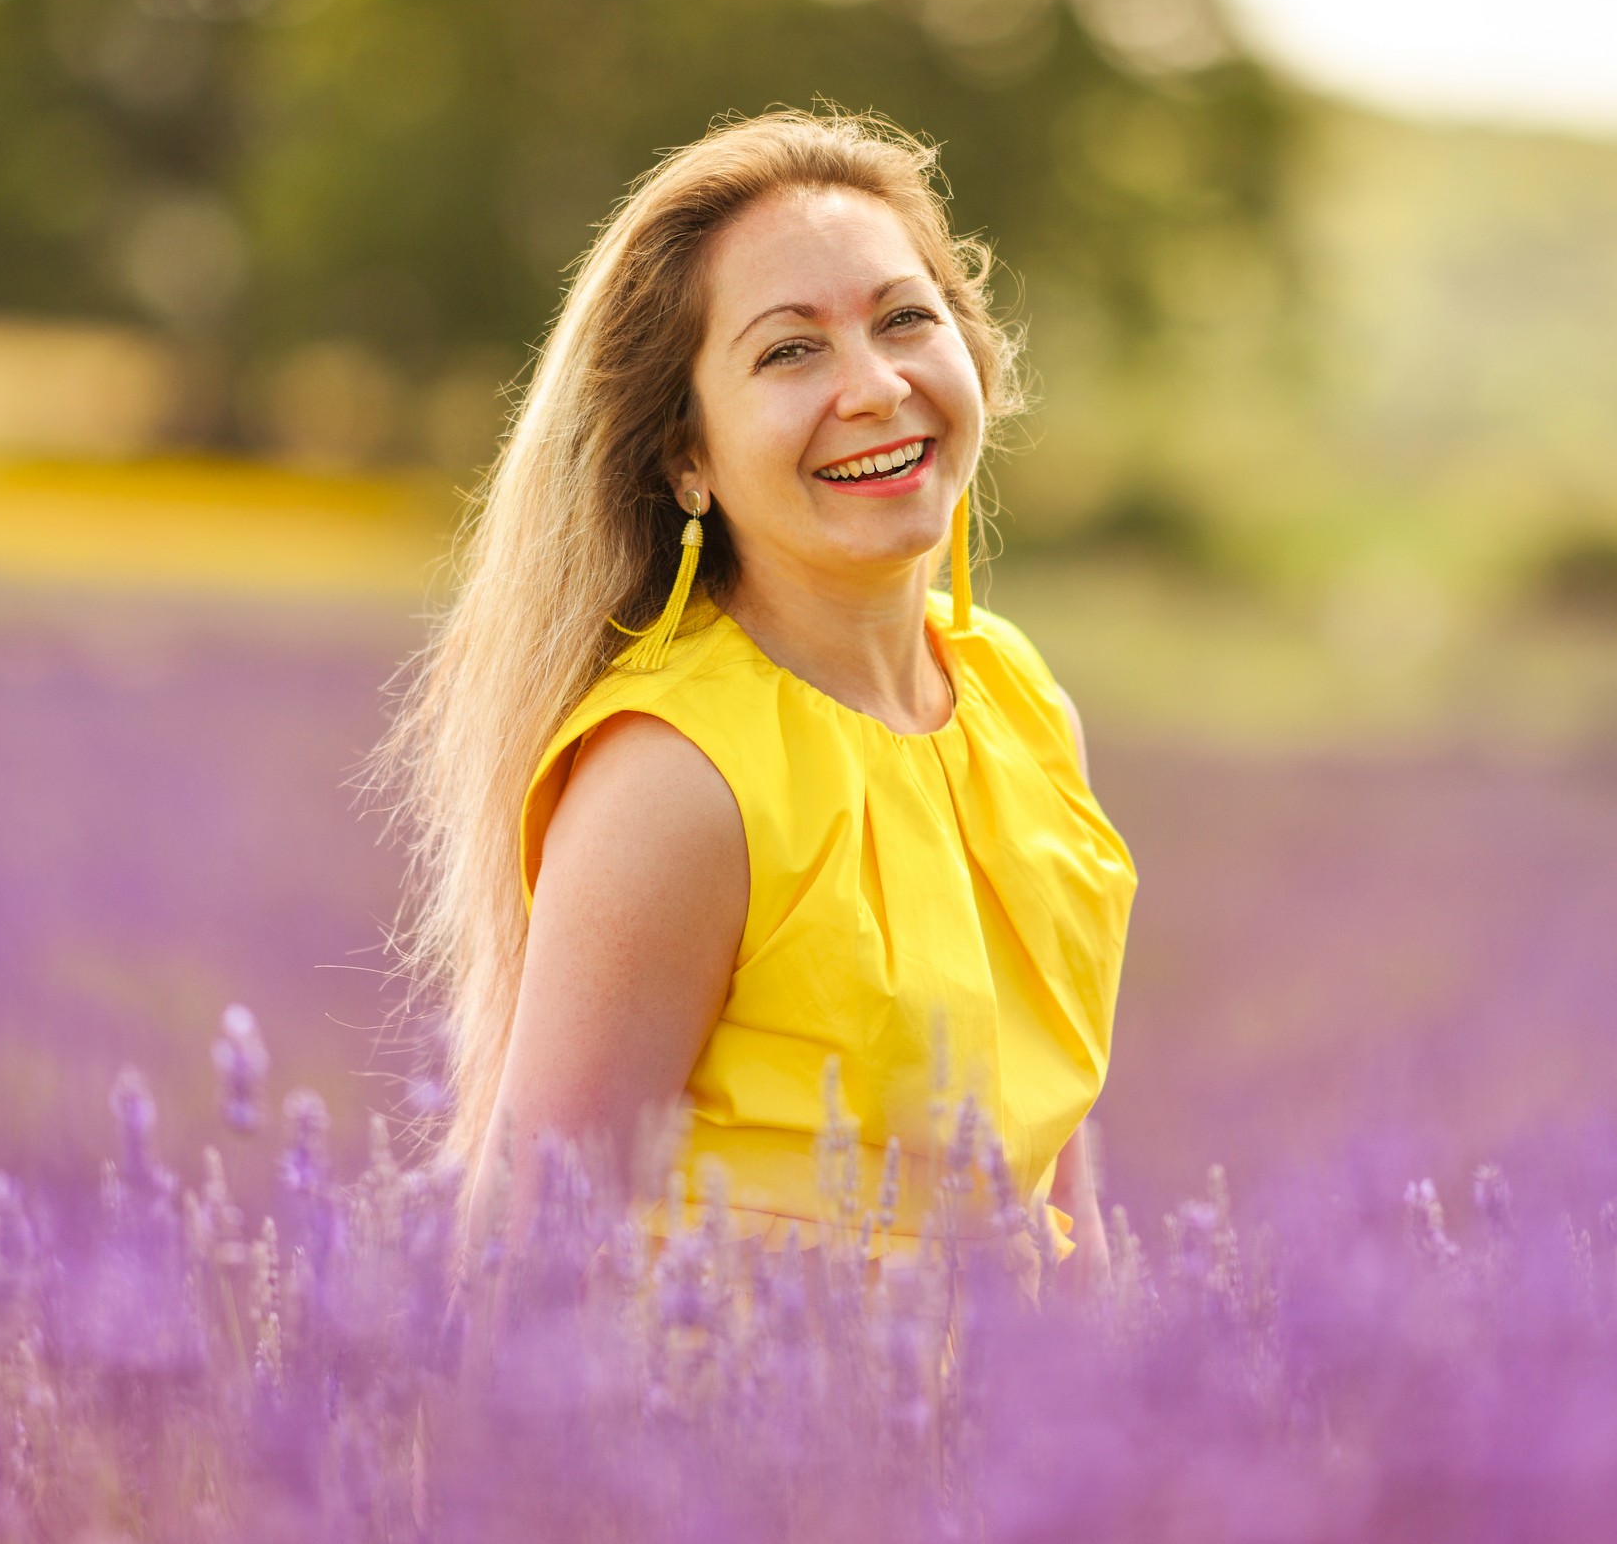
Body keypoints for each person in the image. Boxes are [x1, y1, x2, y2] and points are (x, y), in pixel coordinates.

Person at [384, 110, 1136, 1280]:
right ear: (687, 456)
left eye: (905, 318)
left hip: (1012, 1457)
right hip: (747, 1454)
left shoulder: (1023, 708)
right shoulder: (678, 775)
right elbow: (522, 1271)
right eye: (791, 351)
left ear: (974, 354)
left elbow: (1063, 1203)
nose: (877, 386)